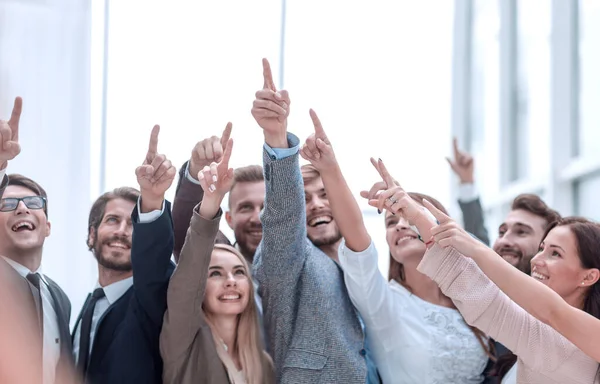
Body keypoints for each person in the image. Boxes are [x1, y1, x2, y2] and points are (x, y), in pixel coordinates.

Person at [367, 162, 600, 383]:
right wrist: (414, 215)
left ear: (589, 276)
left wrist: (474, 247)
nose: (537, 260)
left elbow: (552, 311)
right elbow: (471, 284)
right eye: (541, 249)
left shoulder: (562, 347)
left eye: (555, 254)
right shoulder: (537, 332)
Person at [299, 116, 492, 383]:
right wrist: (330, 169)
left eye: (410, 218)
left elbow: (480, 248)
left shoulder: (472, 296)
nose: (400, 226)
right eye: (391, 222)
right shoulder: (383, 303)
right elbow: (357, 237)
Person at [251, 58, 379, 383]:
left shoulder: (362, 263)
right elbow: (282, 218)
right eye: (305, 199)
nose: (317, 205)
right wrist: (277, 139)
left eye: (324, 195)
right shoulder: (287, 257)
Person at [161, 137, 274, 384]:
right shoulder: (215, 254)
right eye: (246, 208)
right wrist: (203, 186)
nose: (258, 217)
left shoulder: (261, 364)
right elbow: (188, 238)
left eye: (266, 207)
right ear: (230, 218)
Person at [72, 125, 176, 384]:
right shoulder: (83, 307)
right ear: (92, 235)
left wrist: (152, 200)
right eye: (112, 220)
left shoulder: (151, 298)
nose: (121, 231)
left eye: (132, 223)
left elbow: (154, 259)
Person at [0, 96, 76, 384]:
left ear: (48, 226)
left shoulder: (60, 299)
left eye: (33, 202)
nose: (22, 208)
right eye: (7, 204)